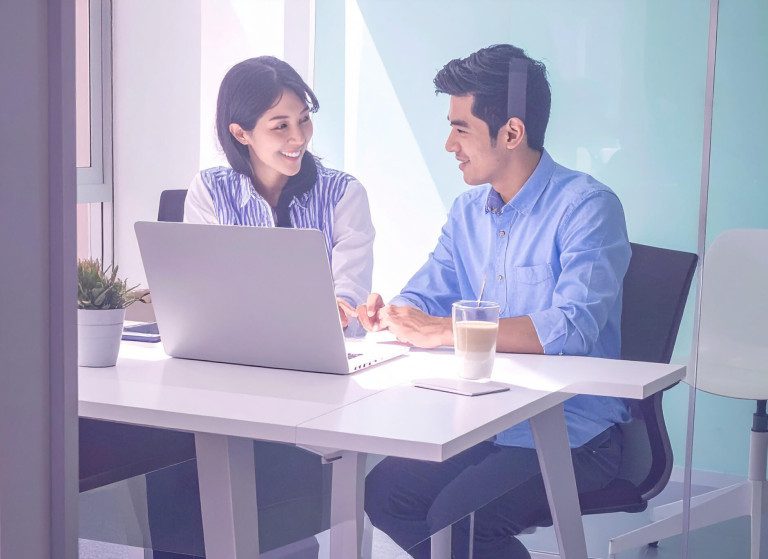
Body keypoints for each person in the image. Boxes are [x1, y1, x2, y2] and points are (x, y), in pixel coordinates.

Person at [355, 44, 632, 559]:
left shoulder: (588, 208)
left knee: (457, 520)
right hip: (488, 422)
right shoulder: (467, 214)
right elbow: (426, 292)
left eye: (461, 128)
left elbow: (571, 328)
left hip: (576, 433)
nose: (448, 144)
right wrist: (393, 314)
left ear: (511, 132)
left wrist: (444, 330)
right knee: (383, 493)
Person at [144, 56, 375, 557]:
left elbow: (349, 300)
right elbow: (200, 293)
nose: (299, 136)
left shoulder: (343, 194)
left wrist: (335, 308)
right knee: (174, 460)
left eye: (304, 120)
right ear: (241, 132)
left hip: (311, 386)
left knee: (267, 480)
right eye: (281, 125)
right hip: (225, 378)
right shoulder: (210, 189)